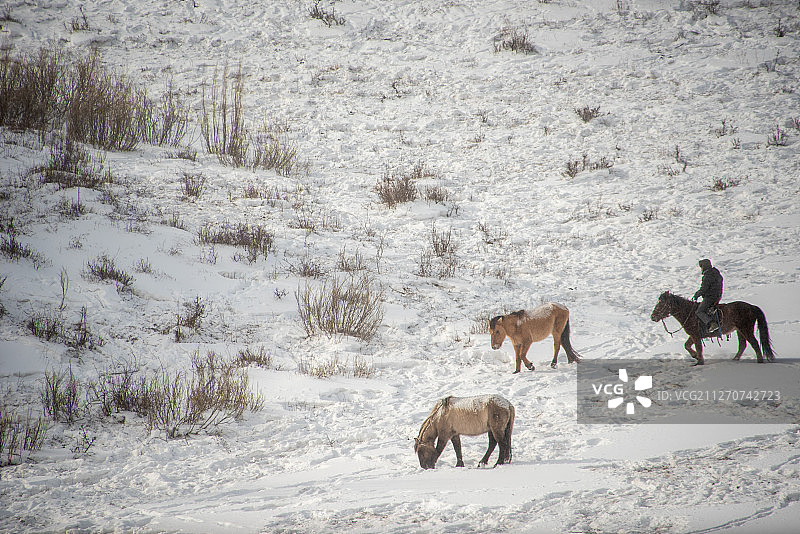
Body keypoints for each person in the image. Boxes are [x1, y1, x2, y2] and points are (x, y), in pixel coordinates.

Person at [693, 258, 723, 333]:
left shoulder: (708, 275)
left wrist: (697, 295)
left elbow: (704, 288)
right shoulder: (716, 274)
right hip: (717, 296)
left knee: (699, 311)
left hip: (710, 297)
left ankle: (712, 324)